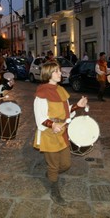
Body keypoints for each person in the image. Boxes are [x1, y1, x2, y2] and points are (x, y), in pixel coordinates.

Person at [33, 61, 88, 205]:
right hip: (49, 134)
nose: (60, 73)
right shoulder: (42, 93)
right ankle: (54, 191)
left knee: (66, 164)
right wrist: (52, 125)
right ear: (48, 74)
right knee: (53, 166)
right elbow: (40, 117)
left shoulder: (61, 90)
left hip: (62, 132)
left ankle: (51, 175)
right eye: (56, 71)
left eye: (59, 70)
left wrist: (77, 106)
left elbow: (65, 111)